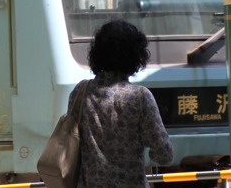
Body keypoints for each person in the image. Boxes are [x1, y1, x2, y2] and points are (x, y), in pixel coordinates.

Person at [69, 19, 173, 188]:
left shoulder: (80, 92)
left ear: (97, 54)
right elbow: (164, 155)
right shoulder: (140, 97)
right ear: (136, 56)